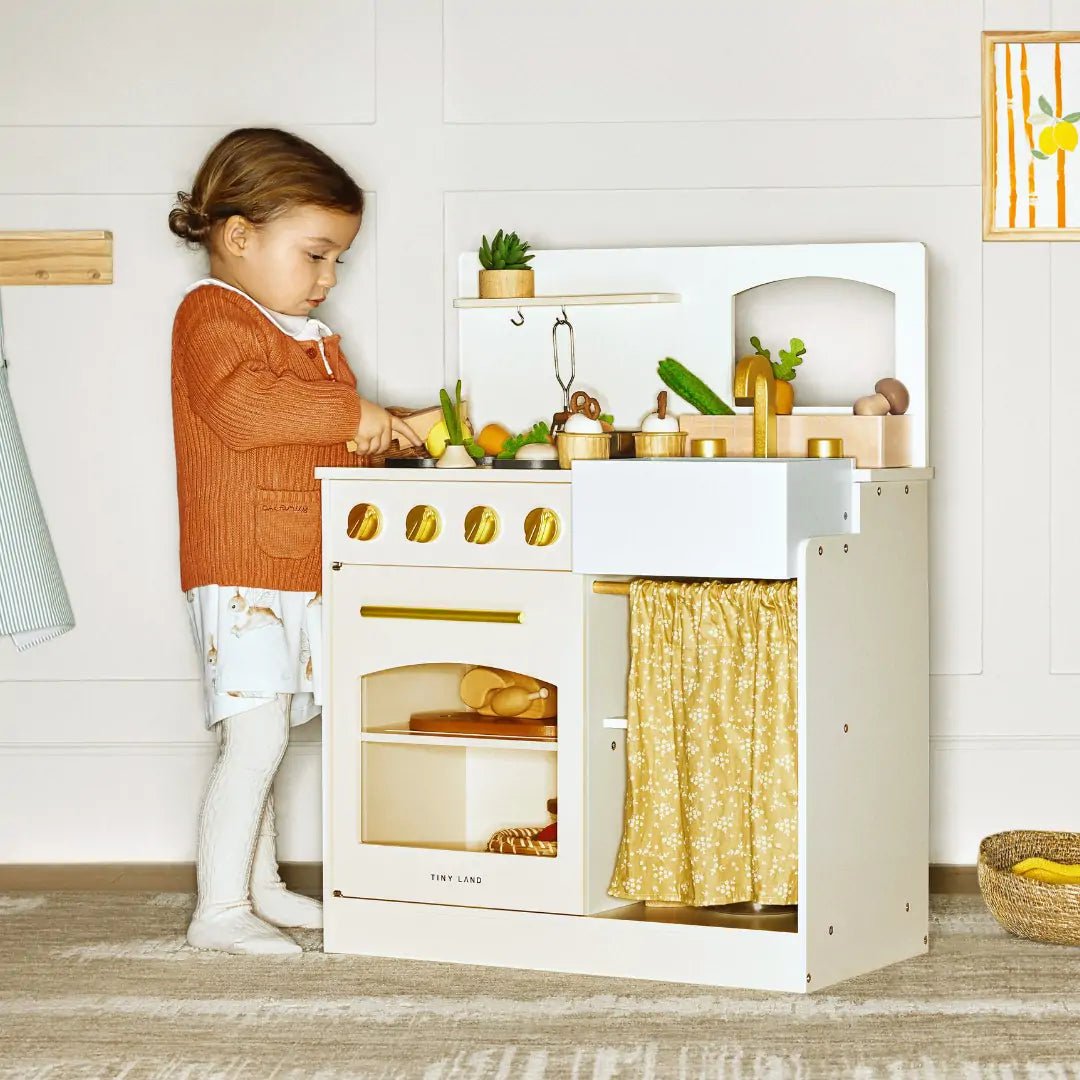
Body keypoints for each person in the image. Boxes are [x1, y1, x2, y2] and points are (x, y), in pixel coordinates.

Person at [169, 128, 418, 954]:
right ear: (240, 236)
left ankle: (260, 886)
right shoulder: (212, 315)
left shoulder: (300, 335)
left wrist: (390, 431)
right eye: (316, 255)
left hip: (292, 564)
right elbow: (245, 410)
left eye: (338, 260)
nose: (329, 277)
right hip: (243, 567)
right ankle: (218, 911)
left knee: (268, 732)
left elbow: (320, 438)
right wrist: (354, 414)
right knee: (257, 736)